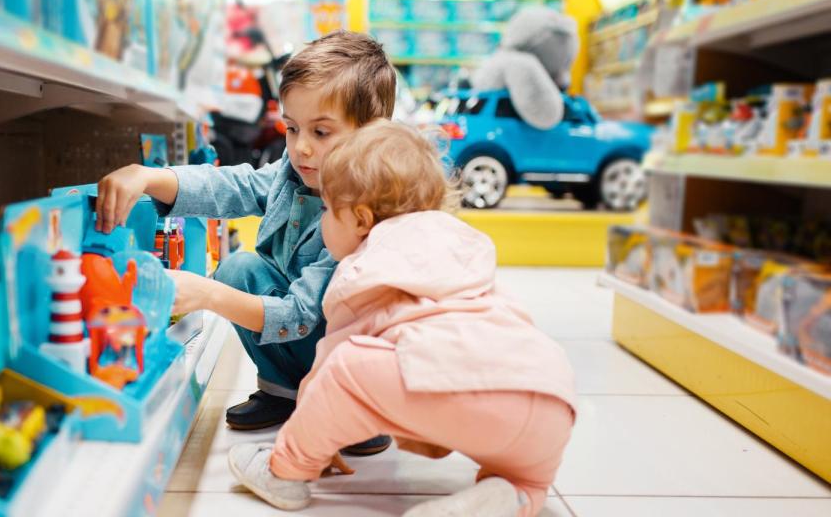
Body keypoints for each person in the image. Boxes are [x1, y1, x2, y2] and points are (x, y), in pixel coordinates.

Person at [228, 120, 577, 517]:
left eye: (327, 209)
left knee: (346, 365)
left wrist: (314, 440)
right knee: (526, 479)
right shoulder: (456, 240)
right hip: (552, 396)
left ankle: (284, 473)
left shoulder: (365, 265)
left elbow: (332, 370)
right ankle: (513, 496)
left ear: (360, 219)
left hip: (464, 390)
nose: (323, 221)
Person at [95, 31, 396, 455]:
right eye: (291, 129)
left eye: (322, 132)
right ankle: (282, 391)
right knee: (240, 268)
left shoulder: (362, 215)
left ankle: (355, 411)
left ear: (371, 134)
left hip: (351, 348)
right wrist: (149, 176)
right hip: (309, 332)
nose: (301, 147)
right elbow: (233, 185)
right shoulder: (293, 175)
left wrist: (209, 296)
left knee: (234, 285)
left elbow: (302, 314)